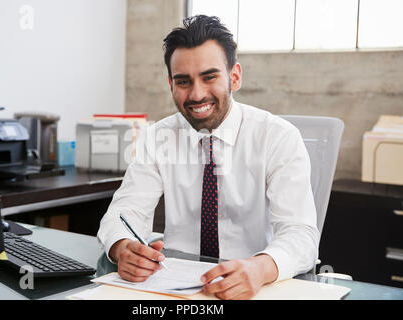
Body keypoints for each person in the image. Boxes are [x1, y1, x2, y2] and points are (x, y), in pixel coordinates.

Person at [97, 15, 319, 300]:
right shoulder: (157, 138)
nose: (197, 94)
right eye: (184, 81)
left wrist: (260, 269)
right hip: (172, 289)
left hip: (255, 288)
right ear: (171, 84)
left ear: (234, 76)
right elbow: (121, 215)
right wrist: (122, 247)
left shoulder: (278, 137)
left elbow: (301, 235)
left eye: (209, 77)